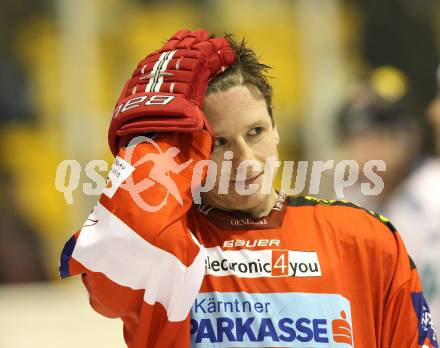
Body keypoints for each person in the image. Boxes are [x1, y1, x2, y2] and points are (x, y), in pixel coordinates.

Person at [59, 30, 438, 347]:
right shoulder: (166, 249)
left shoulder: (365, 238)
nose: (245, 160)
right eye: (219, 142)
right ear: (187, 151)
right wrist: (150, 143)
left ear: (275, 130)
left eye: (255, 132)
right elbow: (108, 292)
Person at [336, 67, 440, 332]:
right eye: (358, 134)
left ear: (411, 133)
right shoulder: (345, 202)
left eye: (380, 132)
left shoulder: (434, 191)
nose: (367, 145)